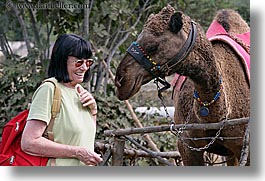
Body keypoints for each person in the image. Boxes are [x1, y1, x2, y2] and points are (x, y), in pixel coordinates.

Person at [21, 34, 103, 166]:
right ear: (62, 60)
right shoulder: (49, 89)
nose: (84, 68)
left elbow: (84, 139)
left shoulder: (80, 92)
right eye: (79, 62)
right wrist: (76, 152)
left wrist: (93, 111)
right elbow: (29, 142)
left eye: (88, 62)